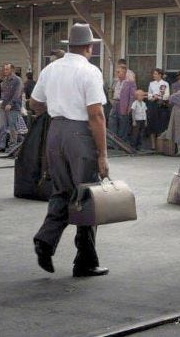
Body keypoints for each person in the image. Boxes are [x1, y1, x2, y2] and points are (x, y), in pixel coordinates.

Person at [29, 23, 109, 277]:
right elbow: (96, 114)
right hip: (80, 134)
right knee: (87, 195)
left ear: (69, 46)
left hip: (56, 132)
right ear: (89, 47)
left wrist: (56, 107)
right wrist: (103, 154)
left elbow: (34, 103)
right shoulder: (90, 71)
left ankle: (45, 239)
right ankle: (85, 260)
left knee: (62, 190)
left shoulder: (51, 68)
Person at [0, 64, 24, 153]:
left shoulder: (17, 80)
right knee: (2, 126)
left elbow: (17, 93)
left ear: (12, 69)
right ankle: (1, 146)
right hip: (4, 106)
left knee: (12, 126)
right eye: (4, 69)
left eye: (7, 69)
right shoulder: (5, 80)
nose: (5, 71)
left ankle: (13, 146)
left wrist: (11, 104)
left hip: (13, 107)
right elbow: (3, 93)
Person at [108, 65, 136, 147]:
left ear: (124, 73)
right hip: (115, 102)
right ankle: (112, 142)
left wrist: (129, 107)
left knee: (123, 124)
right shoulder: (115, 81)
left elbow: (132, 96)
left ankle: (122, 143)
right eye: (117, 72)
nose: (117, 74)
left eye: (119, 72)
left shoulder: (130, 83)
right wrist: (111, 99)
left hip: (123, 104)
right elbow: (111, 90)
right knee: (112, 121)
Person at [146, 68, 171, 149]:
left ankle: (159, 145)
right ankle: (153, 145)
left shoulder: (165, 83)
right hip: (153, 105)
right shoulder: (151, 83)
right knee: (152, 124)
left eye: (155, 74)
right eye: (154, 74)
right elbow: (149, 94)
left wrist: (159, 97)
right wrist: (152, 97)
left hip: (161, 105)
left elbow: (167, 95)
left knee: (161, 125)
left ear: (160, 75)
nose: (154, 75)